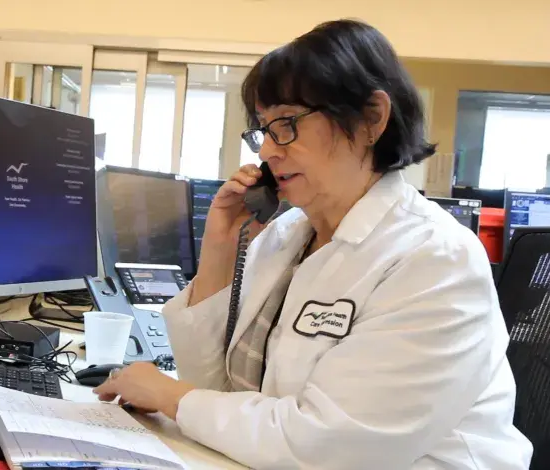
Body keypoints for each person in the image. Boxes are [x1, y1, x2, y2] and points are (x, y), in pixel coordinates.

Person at [93, 19, 533, 469]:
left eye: (286, 123)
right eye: (262, 128)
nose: (266, 151)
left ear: (370, 119)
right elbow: (215, 390)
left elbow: (334, 446)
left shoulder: (435, 259)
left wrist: (169, 396)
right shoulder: (286, 237)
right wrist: (220, 253)